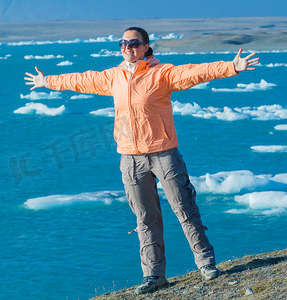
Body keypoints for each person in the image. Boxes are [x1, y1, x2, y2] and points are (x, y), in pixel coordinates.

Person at [24, 26, 259, 295]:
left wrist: (232, 67)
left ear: (146, 46)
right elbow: (82, 79)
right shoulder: (115, 76)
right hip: (130, 158)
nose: (127, 47)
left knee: (185, 209)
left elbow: (195, 72)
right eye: (123, 43)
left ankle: (206, 264)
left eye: (134, 43)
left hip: (164, 153)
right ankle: (154, 275)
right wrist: (48, 81)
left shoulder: (162, 74)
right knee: (145, 218)